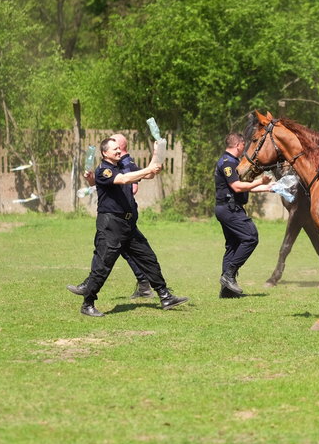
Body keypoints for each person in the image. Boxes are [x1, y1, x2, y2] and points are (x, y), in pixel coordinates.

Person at [77, 137, 188, 317]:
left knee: (148, 258)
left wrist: (155, 156)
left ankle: (165, 295)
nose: (119, 151)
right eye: (114, 149)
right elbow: (124, 179)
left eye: (119, 148)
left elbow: (149, 174)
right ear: (105, 153)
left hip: (128, 224)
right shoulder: (103, 170)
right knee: (103, 265)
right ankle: (87, 303)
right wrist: (148, 169)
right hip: (111, 224)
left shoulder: (123, 165)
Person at [66, 133, 154, 299]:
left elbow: (132, 186)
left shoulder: (125, 162)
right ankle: (144, 284)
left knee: (107, 253)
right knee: (117, 251)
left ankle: (90, 290)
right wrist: (92, 180)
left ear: (121, 146)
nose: (116, 149)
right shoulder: (112, 164)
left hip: (120, 217)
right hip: (116, 216)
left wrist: (146, 171)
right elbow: (101, 183)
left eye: (116, 145)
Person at [214, 133, 274, 298]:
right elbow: (237, 186)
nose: (245, 149)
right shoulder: (228, 162)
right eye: (244, 145)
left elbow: (246, 187)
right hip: (229, 209)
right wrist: (260, 182)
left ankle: (227, 292)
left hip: (228, 208)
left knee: (233, 246)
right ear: (239, 145)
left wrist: (269, 188)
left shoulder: (232, 162)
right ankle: (229, 275)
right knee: (251, 237)